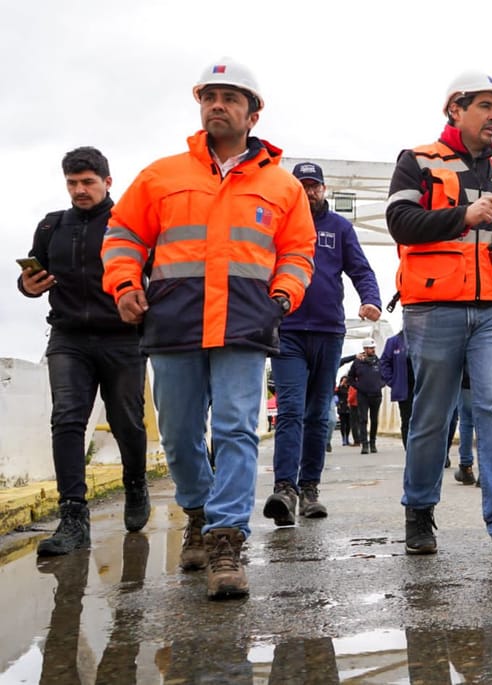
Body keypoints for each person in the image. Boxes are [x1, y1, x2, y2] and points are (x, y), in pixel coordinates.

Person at [101, 58, 316, 598]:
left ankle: (226, 538)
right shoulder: (161, 175)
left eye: (230, 97)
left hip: (245, 323)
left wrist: (283, 295)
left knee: (237, 430)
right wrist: (125, 285)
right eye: (209, 96)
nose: (217, 105)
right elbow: (123, 233)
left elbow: (298, 251)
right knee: (177, 432)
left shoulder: (282, 186)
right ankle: (196, 509)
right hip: (174, 321)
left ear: (253, 111)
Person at [385, 70, 492, 575]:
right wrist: (463, 216)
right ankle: (419, 510)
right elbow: (400, 224)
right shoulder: (418, 161)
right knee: (433, 414)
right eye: (485, 107)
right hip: (433, 307)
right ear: (456, 110)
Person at [18, 146, 150, 556]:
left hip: (123, 336)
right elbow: (31, 278)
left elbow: (156, 273)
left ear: (108, 182)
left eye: (88, 182)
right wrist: (28, 286)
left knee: (126, 419)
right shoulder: (52, 226)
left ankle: (135, 483)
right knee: (67, 419)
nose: (80, 190)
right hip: (68, 337)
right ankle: (73, 515)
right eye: (73, 183)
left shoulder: (130, 225)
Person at [262, 162, 381, 527]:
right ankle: (285, 488)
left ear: (324, 190)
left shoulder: (339, 228)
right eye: (302, 186)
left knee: (317, 415)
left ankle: (310, 488)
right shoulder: (277, 224)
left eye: (314, 186)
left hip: (329, 331)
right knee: (292, 410)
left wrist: (371, 298)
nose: (309, 192)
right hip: (289, 330)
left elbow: (360, 269)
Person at [348, 338, 384, 454]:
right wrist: (358, 386)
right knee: (363, 419)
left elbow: (386, 376)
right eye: (370, 348)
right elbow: (350, 378)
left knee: (374, 420)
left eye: (373, 348)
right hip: (362, 395)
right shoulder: (357, 362)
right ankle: (364, 444)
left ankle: (373, 442)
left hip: (376, 395)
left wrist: (380, 385)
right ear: (365, 349)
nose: (372, 350)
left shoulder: (379, 362)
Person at [380, 329, 413, 448]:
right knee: (407, 420)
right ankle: (410, 452)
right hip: (404, 389)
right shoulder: (393, 342)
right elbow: (384, 363)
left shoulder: (425, 339)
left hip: (424, 388)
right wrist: (393, 381)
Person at [335, 376, 352, 446]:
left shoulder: (349, 388)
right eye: (343, 380)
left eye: (345, 381)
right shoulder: (339, 388)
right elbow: (335, 393)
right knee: (343, 423)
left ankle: (347, 438)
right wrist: (340, 385)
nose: (344, 382)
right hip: (341, 406)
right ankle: (343, 439)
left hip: (349, 406)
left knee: (348, 423)